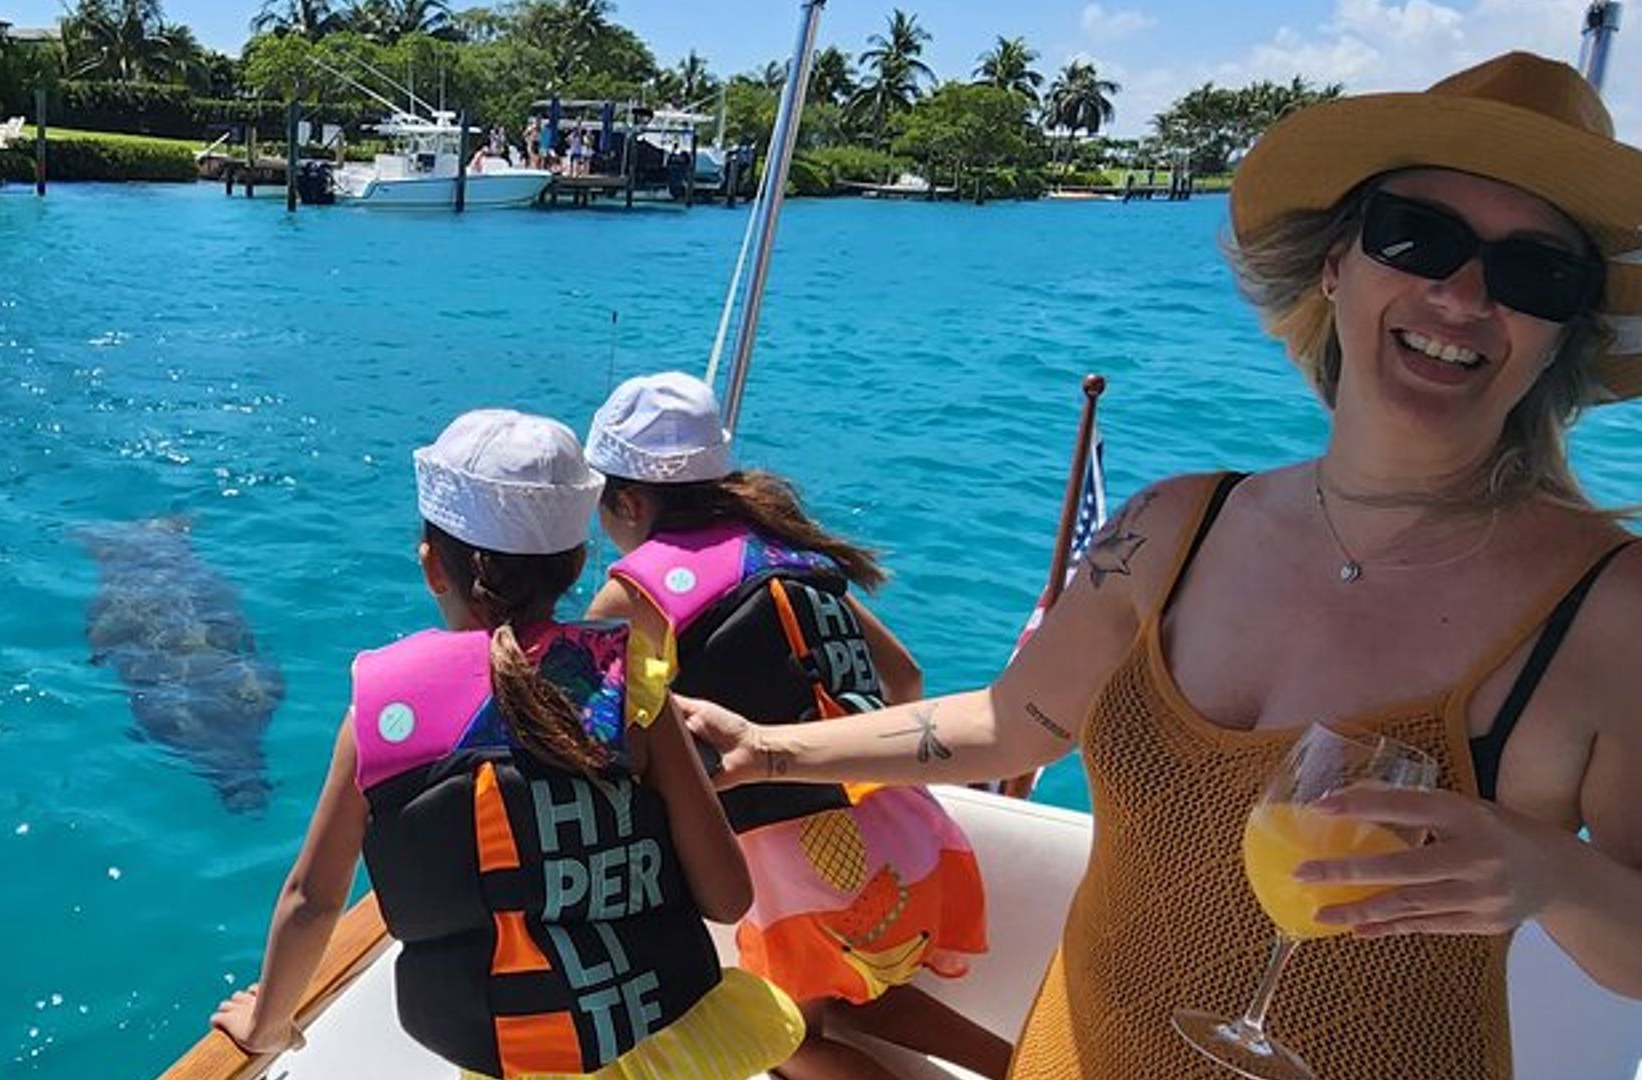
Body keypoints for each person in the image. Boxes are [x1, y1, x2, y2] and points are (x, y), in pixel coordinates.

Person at [680, 51, 1642, 1080]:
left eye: (1534, 271)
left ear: (1563, 334)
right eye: (1418, 238)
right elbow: (1013, 723)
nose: (1461, 294)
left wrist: (1553, 873)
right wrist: (770, 751)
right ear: (1335, 265)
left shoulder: (1609, 608)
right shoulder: (1176, 527)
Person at [212, 410, 804, 1078]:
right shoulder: (631, 684)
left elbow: (313, 902)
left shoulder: (379, 718)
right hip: (670, 1043)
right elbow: (727, 898)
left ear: (433, 566)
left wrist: (267, 1026)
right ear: (578, 563)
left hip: (517, 1054)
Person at [584, 372, 1015, 1079]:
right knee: (862, 998)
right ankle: (1032, 1068)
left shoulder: (631, 594)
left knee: (784, 1040)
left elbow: (597, 752)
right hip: (908, 839)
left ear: (627, 501)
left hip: (796, 879)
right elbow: (904, 679)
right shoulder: (787, 554)